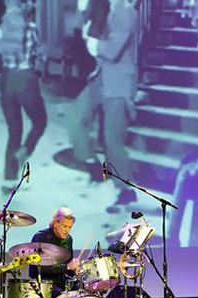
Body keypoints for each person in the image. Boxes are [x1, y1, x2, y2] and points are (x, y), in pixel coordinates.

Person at [67, 0, 139, 213]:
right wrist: (84, 14)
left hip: (118, 82)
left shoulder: (126, 12)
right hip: (100, 77)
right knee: (74, 118)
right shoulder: (103, 6)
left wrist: (91, 41)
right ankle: (93, 166)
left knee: (113, 140)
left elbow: (111, 50)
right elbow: (89, 32)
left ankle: (126, 190)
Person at [0, 0, 47, 187]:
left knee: (14, 130)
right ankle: (26, 150)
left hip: (6, 79)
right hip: (25, 80)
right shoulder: (31, 28)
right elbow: (38, 54)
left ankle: (9, 179)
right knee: (40, 122)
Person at [28, 207, 80, 297]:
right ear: (55, 223)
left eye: (69, 227)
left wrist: (75, 270)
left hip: (62, 282)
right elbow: (38, 268)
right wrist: (67, 267)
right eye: (64, 226)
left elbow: (68, 266)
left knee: (81, 292)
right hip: (45, 284)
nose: (67, 230)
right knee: (63, 296)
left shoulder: (68, 239)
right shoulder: (41, 238)